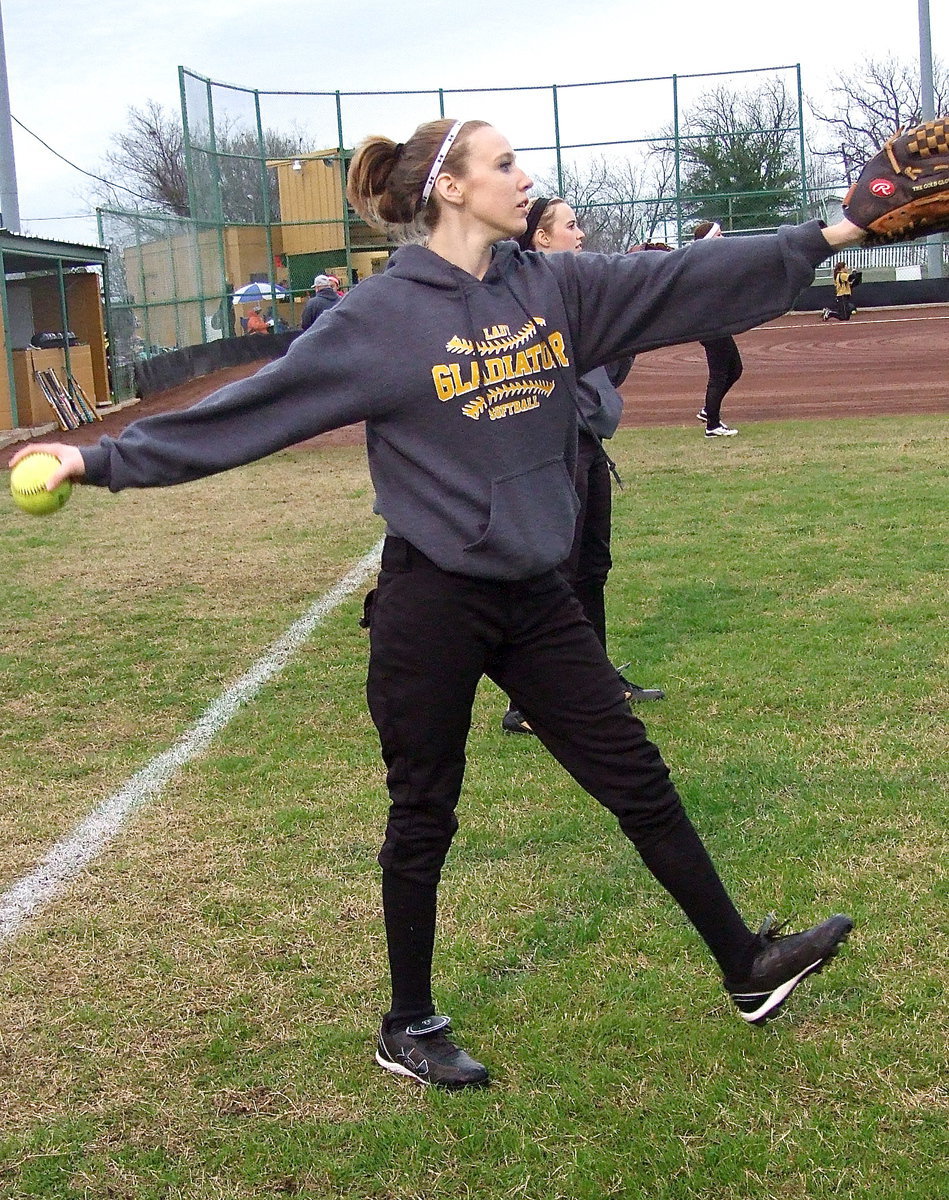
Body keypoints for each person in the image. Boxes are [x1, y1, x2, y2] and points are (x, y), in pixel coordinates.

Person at [12, 117, 863, 1091]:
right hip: (434, 600)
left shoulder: (552, 287)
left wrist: (830, 235)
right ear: (451, 189)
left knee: (636, 777)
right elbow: (253, 412)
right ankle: (407, 1024)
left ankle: (743, 965)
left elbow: (680, 284)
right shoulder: (381, 318)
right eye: (503, 164)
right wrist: (95, 457)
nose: (523, 176)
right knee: (425, 812)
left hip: (536, 595)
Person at [501, 196, 663, 737]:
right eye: (570, 226)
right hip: (554, 448)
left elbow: (606, 373)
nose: (581, 234)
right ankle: (529, 701)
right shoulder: (529, 297)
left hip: (590, 441)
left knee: (592, 565)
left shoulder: (575, 296)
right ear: (540, 239)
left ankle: (597, 683)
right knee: (560, 572)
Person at [691, 221, 742, 438]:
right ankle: (712, 425)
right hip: (710, 326)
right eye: (718, 234)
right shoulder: (703, 264)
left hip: (718, 323)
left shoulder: (712, 261)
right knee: (719, 375)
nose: (722, 238)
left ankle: (708, 411)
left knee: (735, 369)